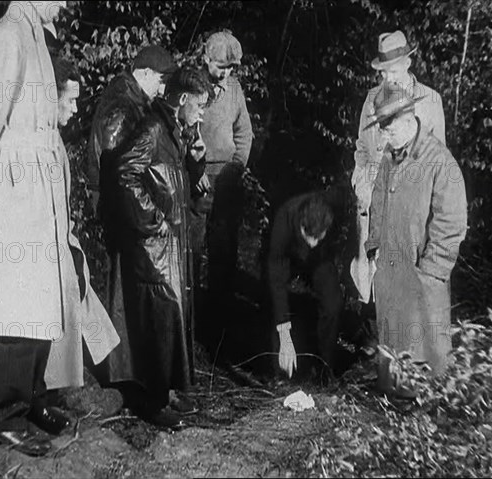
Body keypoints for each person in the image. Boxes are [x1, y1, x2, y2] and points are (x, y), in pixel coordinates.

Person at [0, 0, 72, 457]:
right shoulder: (8, 36)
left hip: (39, 182)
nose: (67, 4)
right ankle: (3, 416)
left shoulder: (35, 38)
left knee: (41, 296)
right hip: (15, 185)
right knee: (18, 299)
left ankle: (30, 400)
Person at [105, 67, 209, 427]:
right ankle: (150, 402)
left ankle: (164, 394)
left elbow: (185, 185)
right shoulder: (152, 129)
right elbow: (124, 173)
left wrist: (196, 158)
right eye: (200, 107)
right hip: (154, 246)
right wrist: (154, 222)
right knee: (159, 319)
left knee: (170, 319)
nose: (201, 114)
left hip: (169, 245)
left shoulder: (173, 131)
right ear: (182, 101)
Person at [364, 84, 467, 398]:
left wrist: (432, 271)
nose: (384, 134)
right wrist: (373, 245)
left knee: (426, 348)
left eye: (389, 126)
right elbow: (378, 200)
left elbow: (452, 221)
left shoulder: (439, 161)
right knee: (392, 339)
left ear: (409, 117)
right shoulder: (389, 158)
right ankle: (391, 394)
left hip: (421, 275)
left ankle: (426, 402)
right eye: (380, 128)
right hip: (390, 270)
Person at [87, 45, 177, 398]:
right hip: (119, 210)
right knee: (123, 290)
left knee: (124, 290)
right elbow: (116, 163)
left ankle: (125, 372)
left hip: (120, 207)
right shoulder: (123, 105)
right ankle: (122, 375)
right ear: (143, 74)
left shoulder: (132, 98)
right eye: (159, 79)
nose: (161, 87)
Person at [351, 30, 446, 309]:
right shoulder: (371, 100)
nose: (387, 78)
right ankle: (372, 336)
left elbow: (438, 160)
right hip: (373, 201)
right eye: (382, 73)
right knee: (371, 275)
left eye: (392, 70)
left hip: (409, 203)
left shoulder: (429, 101)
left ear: (407, 63)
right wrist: (361, 182)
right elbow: (361, 147)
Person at [42, 56, 120, 393]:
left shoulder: (54, 137)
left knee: (91, 313)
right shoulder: (38, 140)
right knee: (71, 318)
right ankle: (58, 391)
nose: (75, 109)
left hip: (64, 243)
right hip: (48, 251)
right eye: (70, 99)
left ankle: (114, 377)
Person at [191, 30, 253, 364]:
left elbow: (245, 133)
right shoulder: (192, 87)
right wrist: (193, 171)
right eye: (219, 67)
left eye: (230, 68)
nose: (225, 73)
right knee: (192, 250)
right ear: (205, 59)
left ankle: (219, 331)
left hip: (227, 179)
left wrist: (237, 168)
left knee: (224, 253)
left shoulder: (235, 90)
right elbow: (181, 132)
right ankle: (188, 327)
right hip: (199, 179)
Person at [267, 192, 343, 381]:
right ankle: (281, 372)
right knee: (274, 302)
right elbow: (277, 283)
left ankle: (325, 367)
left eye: (319, 236)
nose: (314, 242)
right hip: (288, 254)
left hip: (320, 258)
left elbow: (328, 245)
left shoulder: (330, 215)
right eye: (310, 236)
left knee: (333, 303)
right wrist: (285, 335)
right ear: (301, 224)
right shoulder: (284, 222)